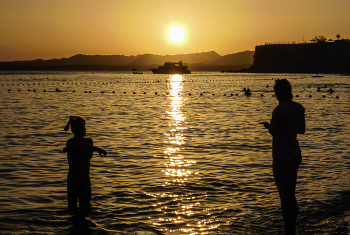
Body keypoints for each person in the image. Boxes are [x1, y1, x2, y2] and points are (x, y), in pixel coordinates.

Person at [260, 79, 305, 234]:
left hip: (281, 157)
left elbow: (274, 131)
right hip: (295, 155)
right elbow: (302, 130)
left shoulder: (279, 110)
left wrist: (268, 126)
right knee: (291, 194)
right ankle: (292, 227)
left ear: (278, 92)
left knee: (284, 196)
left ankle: (288, 229)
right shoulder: (299, 108)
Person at [63, 116, 107, 215]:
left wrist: (93, 149)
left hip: (85, 179)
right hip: (73, 180)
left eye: (84, 127)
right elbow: (80, 147)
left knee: (86, 208)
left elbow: (87, 153)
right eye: (81, 128)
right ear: (74, 130)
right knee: (72, 209)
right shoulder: (70, 142)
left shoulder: (88, 141)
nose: (84, 130)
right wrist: (97, 149)